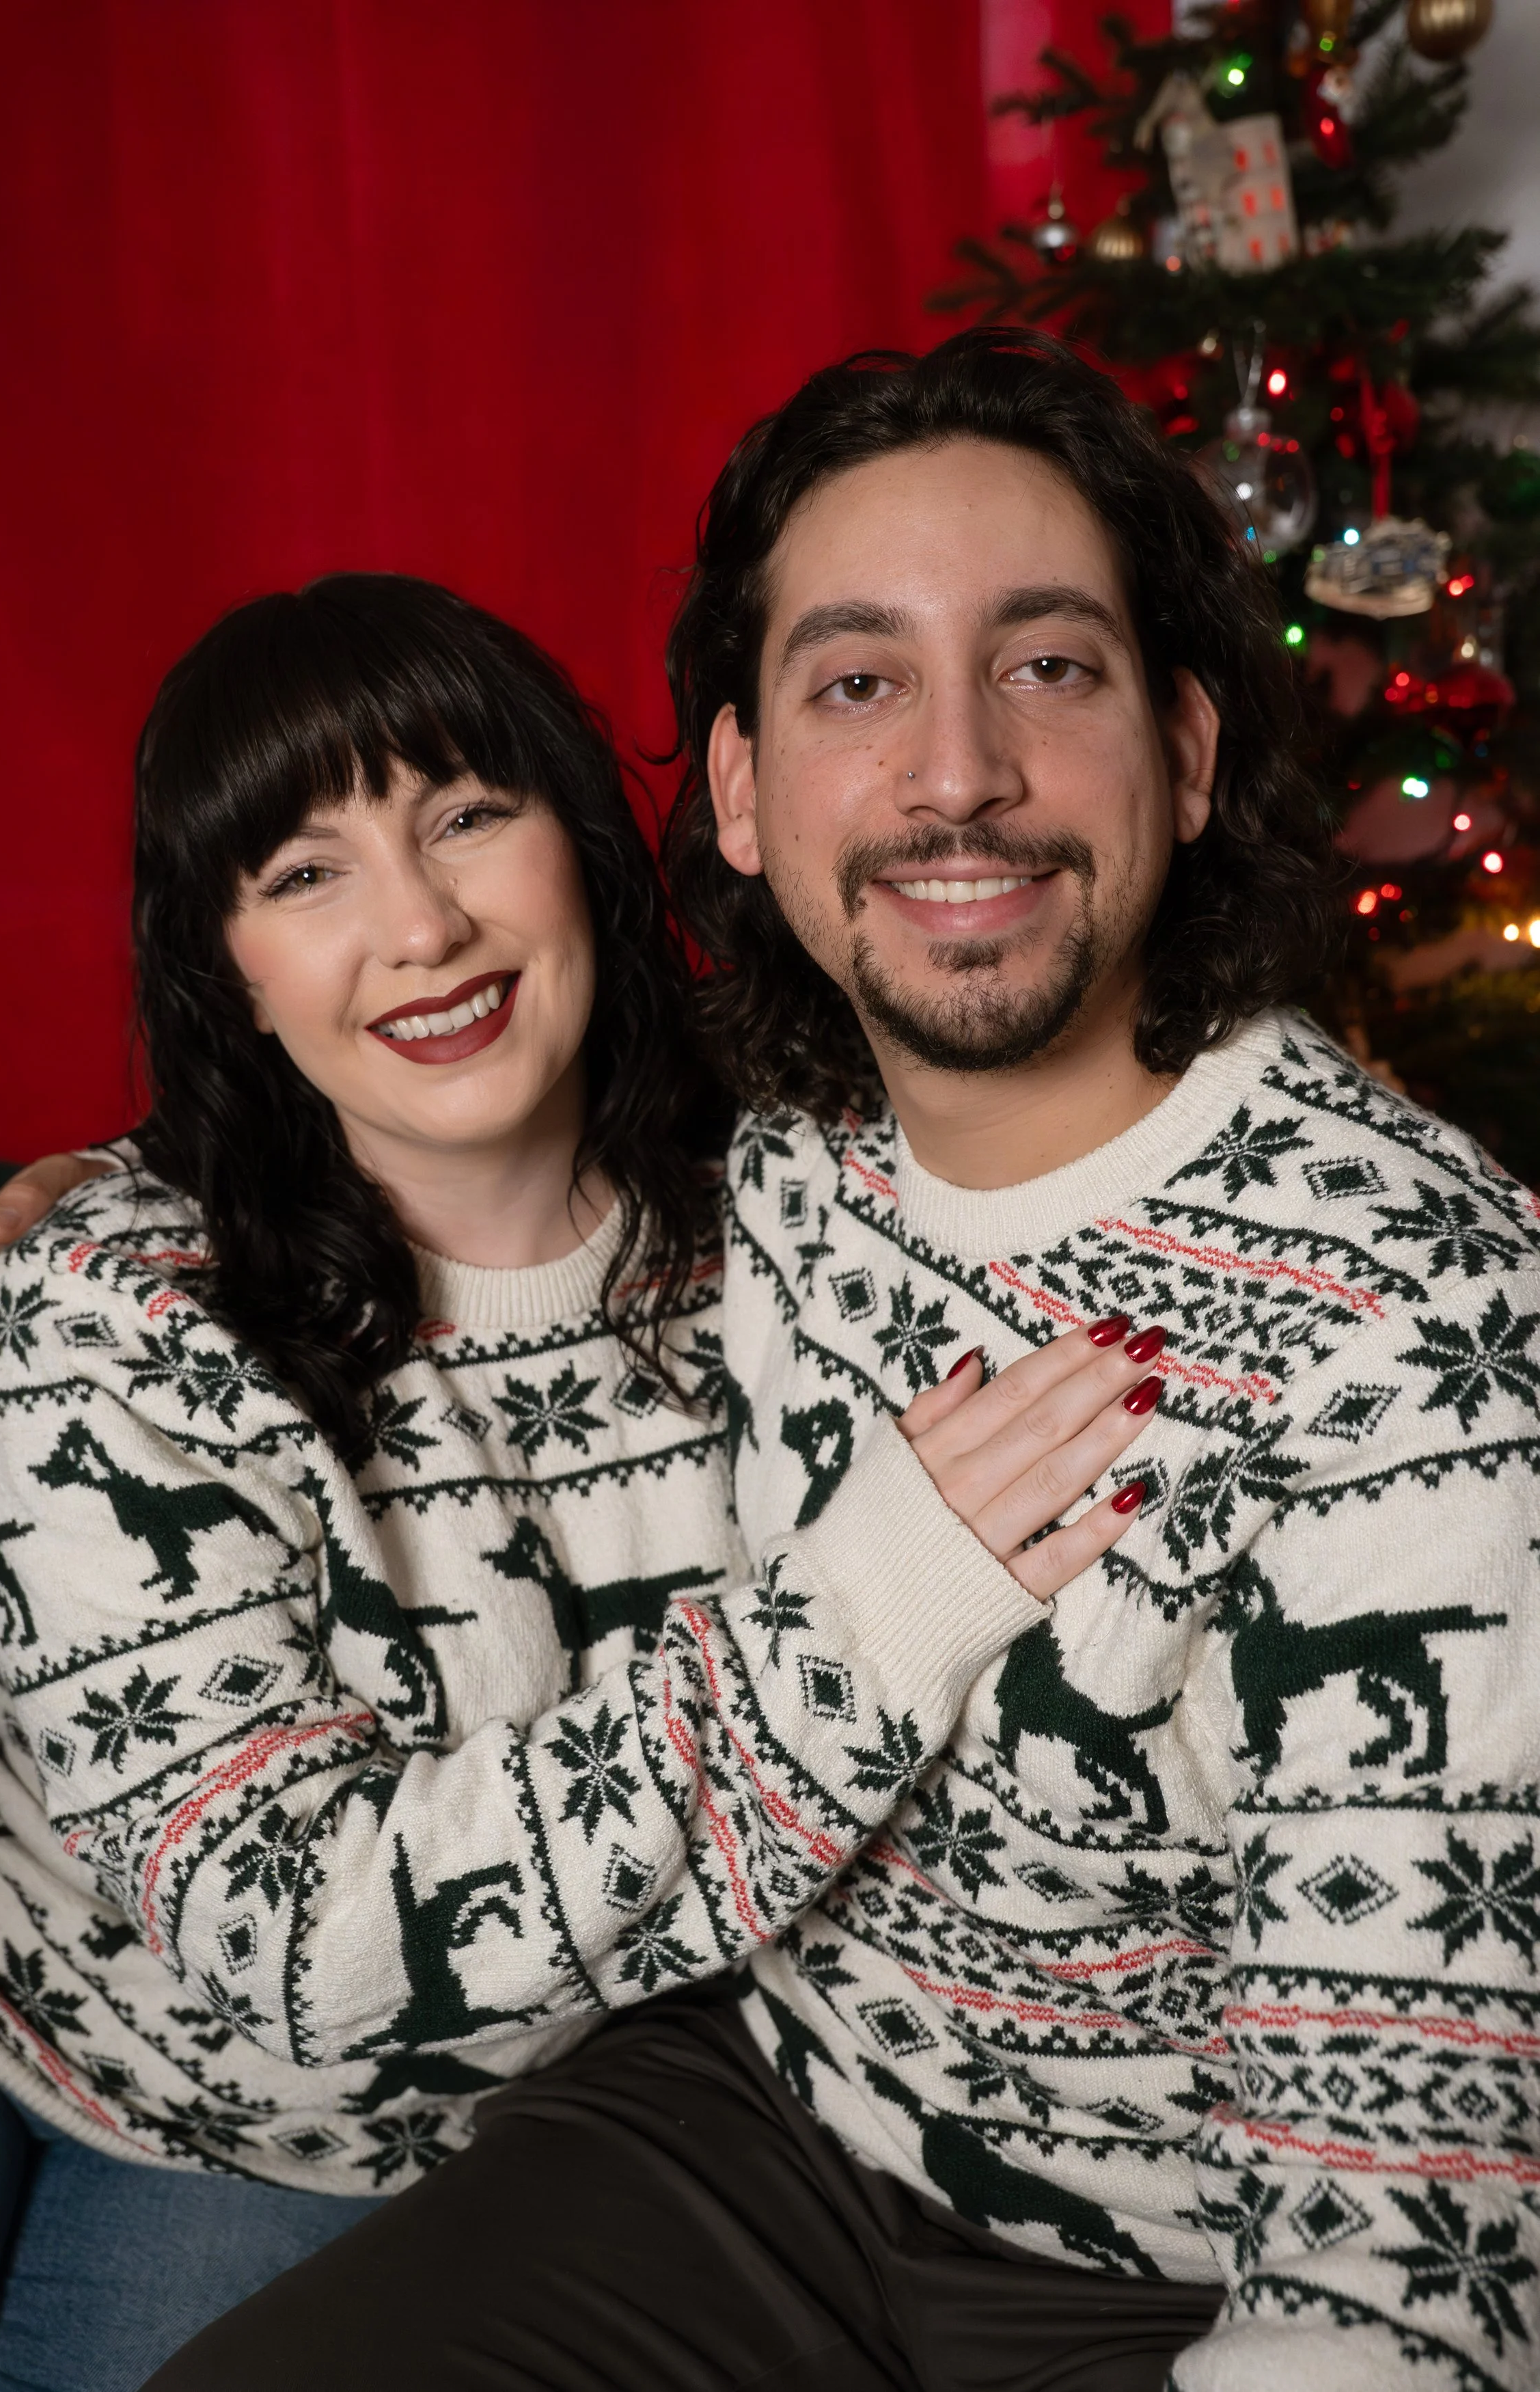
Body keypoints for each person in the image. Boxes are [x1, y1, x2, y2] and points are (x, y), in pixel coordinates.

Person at [91, 327, 1529, 2391]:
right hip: (745, 2123)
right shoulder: (779, 1137)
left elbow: (1399, 2259)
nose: (955, 772)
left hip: (1155, 2273)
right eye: (859, 681)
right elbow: (400, 1086)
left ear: (1190, 755)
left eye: (1047, 665)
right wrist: (61, 1212)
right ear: (746, 791)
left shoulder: (1419, 1332)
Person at [0, 569, 1154, 2392]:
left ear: (582, 836)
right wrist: (866, 1616)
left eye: (468, 813)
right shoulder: (117, 1289)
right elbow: (276, 1927)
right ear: (228, 965)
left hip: (354, 2113)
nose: (422, 926)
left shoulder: (816, 1220)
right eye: (306, 875)